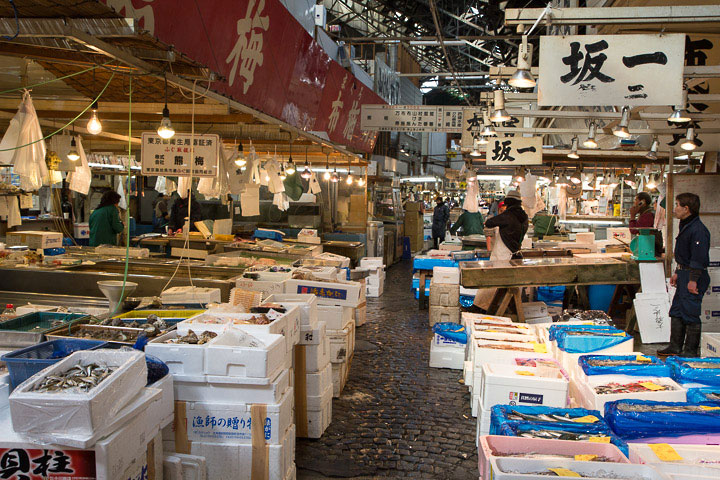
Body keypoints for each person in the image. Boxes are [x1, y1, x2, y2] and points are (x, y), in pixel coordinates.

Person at [658, 192, 711, 357]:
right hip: (684, 273)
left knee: (690, 313)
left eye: (677, 205)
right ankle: (675, 347)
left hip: (693, 276)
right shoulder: (686, 224)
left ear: (686, 209)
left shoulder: (698, 230)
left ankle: (690, 351)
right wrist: (677, 272)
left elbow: (699, 258)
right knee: (677, 311)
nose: (674, 209)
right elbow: (684, 254)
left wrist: (692, 280)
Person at [484, 190, 529, 259]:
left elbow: (489, 223)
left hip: (504, 254)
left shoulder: (507, 215)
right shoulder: (525, 216)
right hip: (516, 251)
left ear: (508, 202)